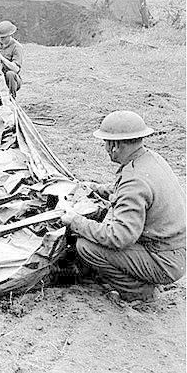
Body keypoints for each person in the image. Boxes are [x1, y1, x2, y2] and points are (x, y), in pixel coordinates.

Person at [60, 111, 186, 302]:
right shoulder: (149, 159)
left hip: (164, 261)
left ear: (114, 145)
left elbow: (119, 237)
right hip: (174, 249)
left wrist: (76, 222)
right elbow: (131, 191)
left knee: (87, 247)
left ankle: (138, 293)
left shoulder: (135, 181)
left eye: (106, 142)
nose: (105, 147)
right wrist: (97, 188)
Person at [0, 20, 23, 97]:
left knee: (10, 74)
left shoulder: (17, 47)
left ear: (10, 35)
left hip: (12, 79)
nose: (1, 39)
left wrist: (2, 59)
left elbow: (16, 69)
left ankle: (11, 98)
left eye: (3, 37)